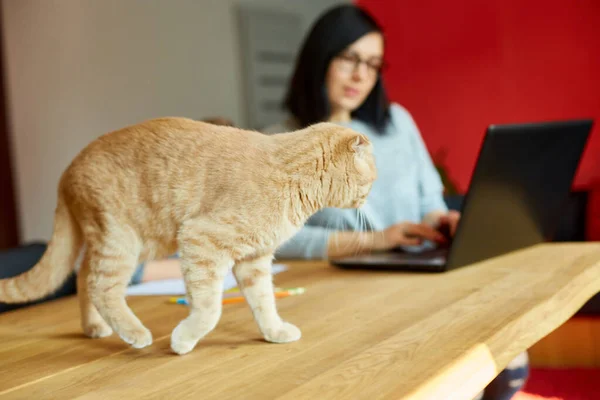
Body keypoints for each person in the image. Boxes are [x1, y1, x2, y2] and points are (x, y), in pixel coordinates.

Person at [263, 4, 528, 400]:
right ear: (319, 58)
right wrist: (376, 240)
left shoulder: (398, 122)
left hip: (420, 274)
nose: (360, 75)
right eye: (349, 59)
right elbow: (276, 238)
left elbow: (429, 199)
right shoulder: (278, 143)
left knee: (510, 358)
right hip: (345, 297)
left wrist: (443, 220)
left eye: (372, 64)